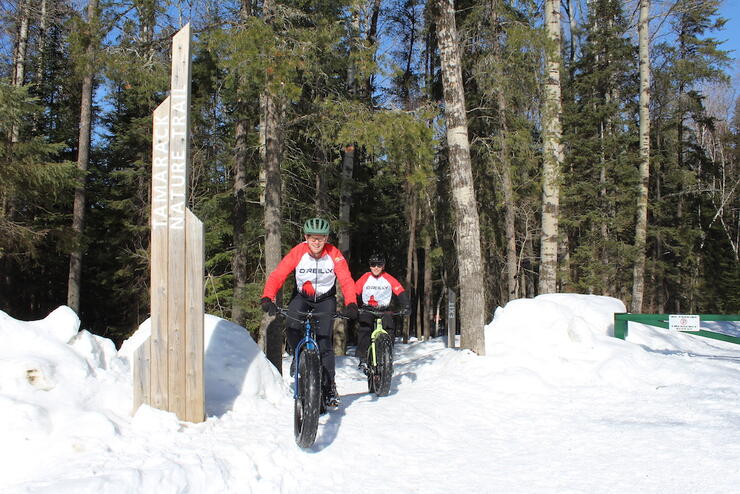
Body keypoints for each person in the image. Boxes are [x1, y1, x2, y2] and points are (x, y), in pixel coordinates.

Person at [260, 217, 358, 408]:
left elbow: (346, 279)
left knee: (324, 342)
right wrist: (267, 297)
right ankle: (299, 356)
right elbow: (278, 275)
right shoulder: (298, 252)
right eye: (313, 238)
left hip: (325, 300)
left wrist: (352, 303)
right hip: (302, 297)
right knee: (291, 326)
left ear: (326, 239)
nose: (316, 242)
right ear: (306, 237)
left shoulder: (334, 254)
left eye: (321, 238)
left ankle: (330, 388)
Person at [354, 253, 409, 374]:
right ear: (369, 266)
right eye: (373, 265)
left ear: (383, 266)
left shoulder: (388, 278)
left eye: (379, 265)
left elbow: (399, 291)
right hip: (368, 308)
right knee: (365, 327)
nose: (376, 267)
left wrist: (406, 305)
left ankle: (387, 357)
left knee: (389, 328)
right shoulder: (365, 277)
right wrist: (352, 306)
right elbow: (354, 291)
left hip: (384, 309)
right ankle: (363, 358)